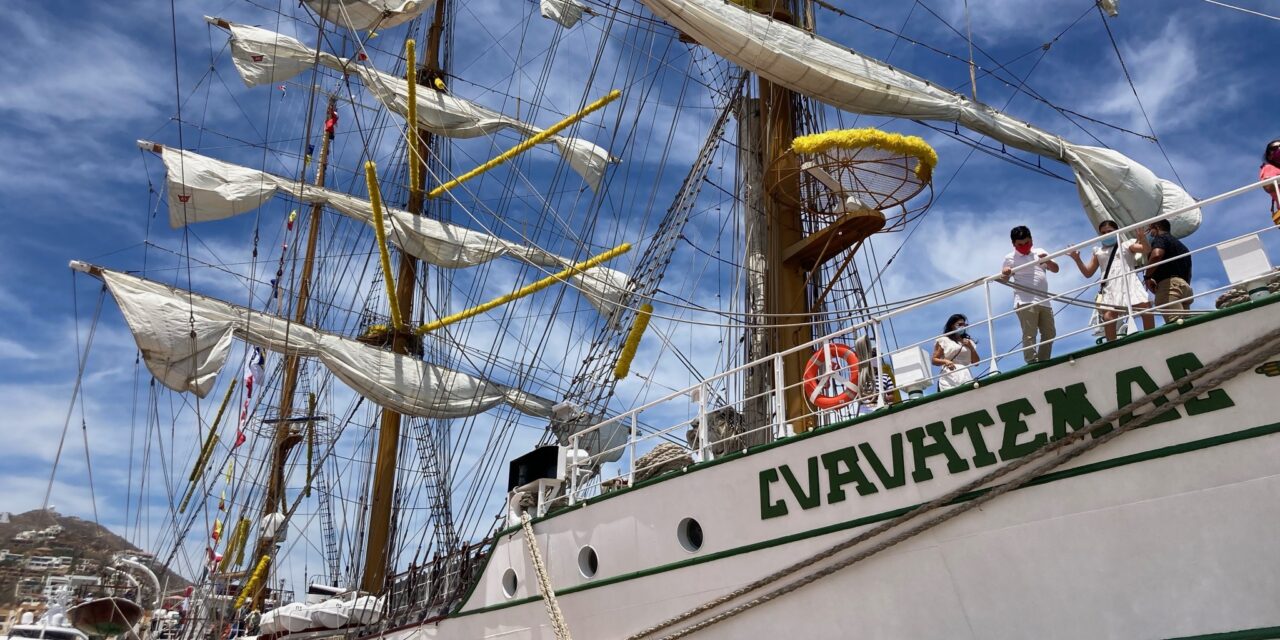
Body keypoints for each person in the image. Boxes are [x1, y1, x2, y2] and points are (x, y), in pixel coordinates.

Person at [1067, 219, 1154, 342]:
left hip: (1128, 280)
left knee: (1146, 307)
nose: (1106, 234)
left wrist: (1142, 238)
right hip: (1110, 285)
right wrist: (1077, 259)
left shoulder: (1126, 245)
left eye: (1109, 231)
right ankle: (1112, 344)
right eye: (1103, 233)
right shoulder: (1098, 252)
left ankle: (1151, 337)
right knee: (1109, 316)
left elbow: (1146, 250)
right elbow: (1088, 273)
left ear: (1116, 231)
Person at [1001, 225, 1059, 364]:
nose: (1024, 246)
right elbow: (1004, 280)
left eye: (1027, 243)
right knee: (1029, 334)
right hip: (1025, 300)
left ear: (1031, 240)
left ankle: (1044, 360)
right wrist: (1006, 272)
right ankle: (1032, 361)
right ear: (1013, 244)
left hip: (1044, 301)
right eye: (1020, 244)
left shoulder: (1039, 252)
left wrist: (1048, 261)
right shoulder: (1010, 258)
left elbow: (1056, 269)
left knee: (1050, 332)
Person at [1142, 218, 1193, 323]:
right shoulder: (1183, 247)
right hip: (1185, 287)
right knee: (1188, 324)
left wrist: (1147, 277)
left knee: (1177, 326)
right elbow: (1189, 272)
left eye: (1150, 229)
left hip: (1169, 288)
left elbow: (1156, 255)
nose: (1150, 233)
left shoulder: (1160, 238)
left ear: (1156, 227)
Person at [932, 314, 979, 391]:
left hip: (965, 375)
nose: (962, 327)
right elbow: (934, 360)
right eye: (960, 324)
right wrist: (945, 361)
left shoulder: (969, 342)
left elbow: (976, 362)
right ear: (952, 326)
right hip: (949, 377)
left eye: (965, 325)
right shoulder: (943, 340)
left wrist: (970, 347)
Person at [853, 335, 898, 414]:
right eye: (873, 357)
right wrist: (872, 396)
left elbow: (891, 396)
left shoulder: (885, 377)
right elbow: (859, 395)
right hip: (865, 410)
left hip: (882, 406)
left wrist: (880, 397)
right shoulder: (863, 378)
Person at [1261, 139, 1280, 225]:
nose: (1279, 149)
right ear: (1269, 156)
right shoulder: (1270, 167)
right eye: (1274, 148)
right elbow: (1268, 186)